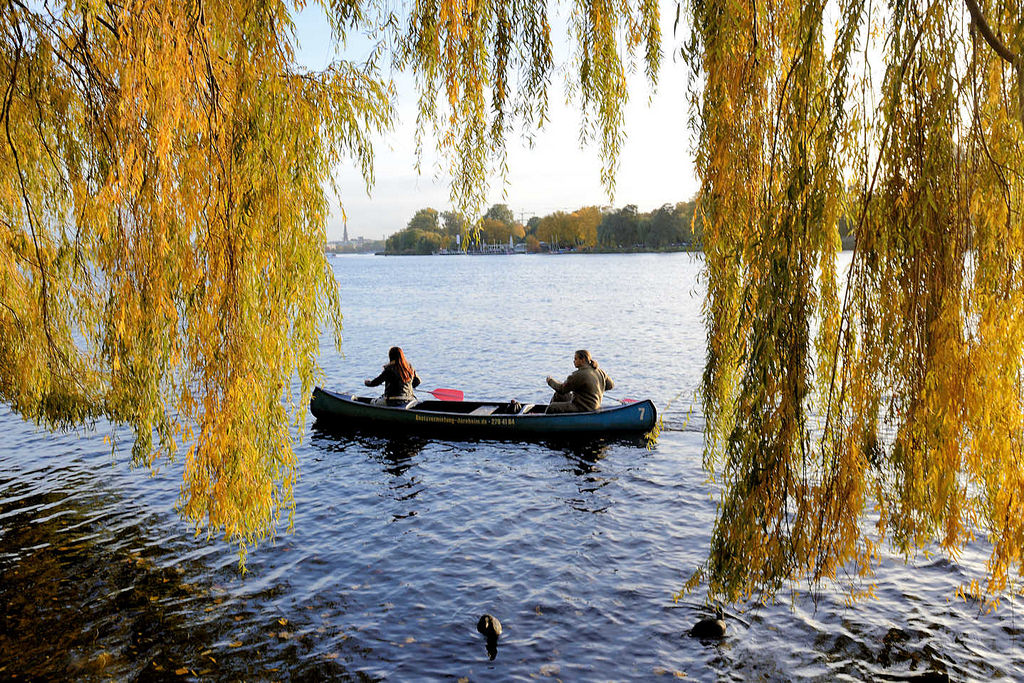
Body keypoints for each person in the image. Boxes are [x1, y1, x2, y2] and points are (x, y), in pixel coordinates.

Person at [545, 350, 614, 413]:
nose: (574, 361)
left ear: (583, 360)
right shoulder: (599, 371)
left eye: (576, 359)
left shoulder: (579, 374)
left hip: (584, 407)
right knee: (559, 395)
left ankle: (546, 419)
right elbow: (610, 385)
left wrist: (550, 381)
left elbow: (562, 389)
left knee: (552, 407)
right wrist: (594, 389)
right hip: (595, 405)